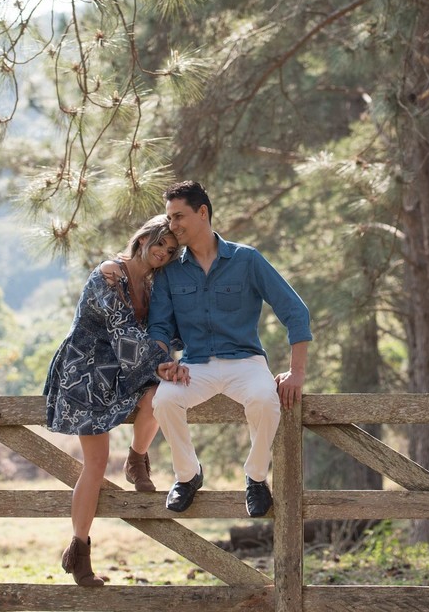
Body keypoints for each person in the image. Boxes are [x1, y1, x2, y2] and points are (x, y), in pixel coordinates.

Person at [147, 180, 311, 518]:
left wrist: (296, 372)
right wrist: (163, 361)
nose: (172, 225)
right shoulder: (169, 274)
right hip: (196, 366)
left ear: (202, 212)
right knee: (163, 400)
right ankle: (188, 475)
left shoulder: (246, 259)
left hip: (245, 362)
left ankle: (255, 477)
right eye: (169, 218)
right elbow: (160, 327)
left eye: (179, 217)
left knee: (266, 400)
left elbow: (295, 311)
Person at [42, 214, 187, 587]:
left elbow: (167, 329)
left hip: (124, 371)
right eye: (159, 244)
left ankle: (137, 458)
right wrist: (163, 365)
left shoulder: (154, 285)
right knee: (96, 463)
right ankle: (79, 550)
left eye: (171, 250)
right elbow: (123, 332)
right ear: (142, 239)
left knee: (159, 396)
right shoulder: (108, 274)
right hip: (86, 372)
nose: (163, 253)